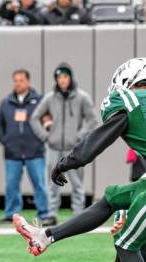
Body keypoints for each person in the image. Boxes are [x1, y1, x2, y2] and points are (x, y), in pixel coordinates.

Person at [13, 57, 146, 262]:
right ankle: (46, 235)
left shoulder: (129, 101)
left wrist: (66, 162)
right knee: (114, 198)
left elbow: (98, 140)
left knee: (126, 242)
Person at [30, 63, 97, 226]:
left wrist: (79, 137)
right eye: (59, 77)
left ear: (70, 78)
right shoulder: (50, 97)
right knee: (53, 183)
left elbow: (92, 120)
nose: (62, 80)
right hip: (54, 148)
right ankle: (52, 214)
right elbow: (34, 118)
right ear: (56, 79)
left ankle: (79, 214)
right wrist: (46, 137)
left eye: (65, 76)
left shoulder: (82, 97)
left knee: (77, 183)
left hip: (74, 148)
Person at [0, 69, 48, 224]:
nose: (18, 83)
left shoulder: (39, 101)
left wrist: (41, 139)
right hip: (13, 152)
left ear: (28, 82)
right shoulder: (6, 102)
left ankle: (44, 214)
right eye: (15, 80)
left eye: (21, 80)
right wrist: (6, 141)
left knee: (39, 184)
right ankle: (12, 214)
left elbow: (48, 121)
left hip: (35, 151)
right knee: (12, 185)